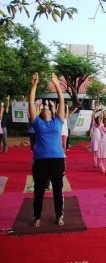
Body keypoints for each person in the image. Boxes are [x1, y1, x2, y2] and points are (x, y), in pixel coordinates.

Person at [29, 72, 66, 227]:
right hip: (40, 162)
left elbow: (62, 101)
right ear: (40, 114)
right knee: (39, 191)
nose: (45, 109)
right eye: (43, 108)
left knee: (58, 189)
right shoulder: (37, 123)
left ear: (52, 113)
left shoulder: (58, 121)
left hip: (57, 160)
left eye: (48, 108)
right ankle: (37, 216)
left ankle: (59, 216)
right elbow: (31, 103)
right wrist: (34, 84)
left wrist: (57, 85)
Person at [89, 103, 102, 168]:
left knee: (99, 151)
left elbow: (101, 117)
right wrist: (95, 109)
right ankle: (95, 163)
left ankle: (99, 163)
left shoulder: (101, 125)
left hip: (100, 138)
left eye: (100, 119)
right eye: (98, 119)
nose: (99, 120)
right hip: (94, 138)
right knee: (95, 151)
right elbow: (92, 115)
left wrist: (102, 111)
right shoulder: (94, 123)